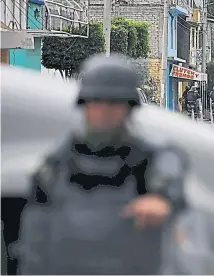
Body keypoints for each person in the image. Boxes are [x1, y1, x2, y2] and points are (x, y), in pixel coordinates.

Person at [15, 55, 189, 274]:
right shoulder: (57, 163)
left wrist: (163, 199)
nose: (104, 111)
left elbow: (171, 166)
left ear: (128, 108)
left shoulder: (148, 157)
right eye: (97, 102)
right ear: (85, 105)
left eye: (114, 103)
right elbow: (35, 235)